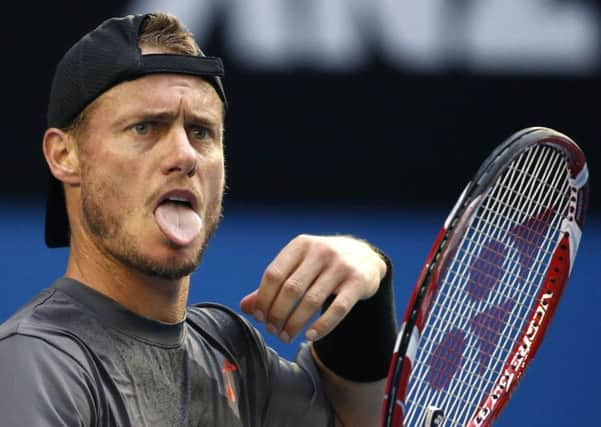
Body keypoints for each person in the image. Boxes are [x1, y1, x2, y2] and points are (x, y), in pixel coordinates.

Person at [0, 12, 397, 426]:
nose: (185, 156)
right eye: (145, 128)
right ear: (65, 156)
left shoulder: (234, 358)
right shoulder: (34, 362)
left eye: (201, 132)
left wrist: (365, 281)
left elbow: (360, 419)